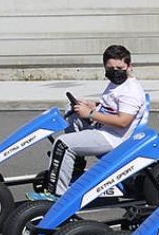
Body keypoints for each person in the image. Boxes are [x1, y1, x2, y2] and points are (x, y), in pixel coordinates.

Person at [30, 45, 147, 199]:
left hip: (115, 139)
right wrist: (94, 106)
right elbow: (112, 107)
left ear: (129, 66)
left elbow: (123, 122)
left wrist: (90, 113)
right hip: (105, 129)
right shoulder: (118, 84)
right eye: (110, 68)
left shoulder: (130, 92)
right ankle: (74, 166)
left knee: (62, 144)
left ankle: (56, 194)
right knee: (72, 111)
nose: (115, 71)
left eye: (120, 67)